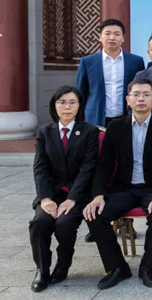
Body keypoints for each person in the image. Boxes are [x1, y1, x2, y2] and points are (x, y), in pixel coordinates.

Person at [83, 79, 152, 289]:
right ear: (128, 99)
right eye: (136, 94)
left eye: (146, 94)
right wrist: (97, 195)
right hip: (124, 188)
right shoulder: (116, 127)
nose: (141, 99)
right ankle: (117, 267)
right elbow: (104, 166)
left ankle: (147, 266)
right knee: (94, 214)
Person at [29, 86, 98, 292]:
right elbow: (40, 167)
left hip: (77, 195)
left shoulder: (89, 131)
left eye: (72, 102)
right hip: (51, 194)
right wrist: (45, 198)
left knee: (64, 224)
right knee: (39, 222)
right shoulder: (44, 132)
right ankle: (42, 269)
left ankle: (63, 263)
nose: (67, 107)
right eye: (62, 102)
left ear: (79, 106)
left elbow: (88, 168)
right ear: (54, 105)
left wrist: (73, 198)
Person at [75, 18, 145, 127]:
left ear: (123, 38)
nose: (112, 37)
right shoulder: (87, 62)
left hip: (126, 118)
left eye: (117, 34)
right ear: (100, 37)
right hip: (95, 119)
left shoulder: (136, 61)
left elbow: (142, 90)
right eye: (107, 33)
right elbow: (80, 93)